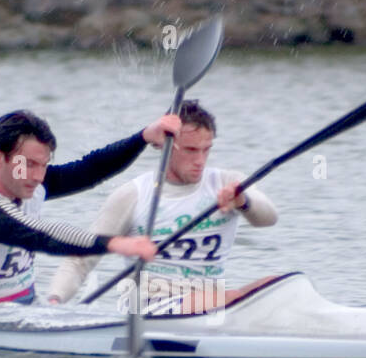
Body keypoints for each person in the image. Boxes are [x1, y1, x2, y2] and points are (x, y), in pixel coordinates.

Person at [0, 109, 180, 309]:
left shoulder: (27, 180)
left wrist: (144, 137)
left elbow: (89, 169)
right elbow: (40, 234)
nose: (39, 176)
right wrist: (114, 243)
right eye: (29, 164)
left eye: (44, 165)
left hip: (21, 309)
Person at [46, 100, 277, 312]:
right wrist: (54, 302)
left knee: (279, 285)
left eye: (206, 149)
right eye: (190, 150)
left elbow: (269, 218)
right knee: (239, 299)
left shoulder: (227, 183)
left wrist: (243, 202)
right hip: (149, 307)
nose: (200, 160)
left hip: (213, 302)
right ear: (166, 146)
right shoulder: (134, 194)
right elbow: (80, 259)